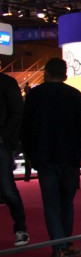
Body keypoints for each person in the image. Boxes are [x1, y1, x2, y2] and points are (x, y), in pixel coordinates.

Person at [20, 58, 81, 257]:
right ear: (65, 74)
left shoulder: (34, 95)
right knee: (66, 203)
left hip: (45, 158)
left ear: (46, 73)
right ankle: (65, 243)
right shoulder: (74, 95)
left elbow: (25, 128)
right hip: (69, 158)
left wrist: (29, 155)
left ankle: (58, 249)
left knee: (51, 205)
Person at [0, 70, 28, 247]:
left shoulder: (7, 83)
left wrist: (4, 136)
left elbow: (17, 112)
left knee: (7, 187)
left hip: (2, 143)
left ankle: (21, 228)